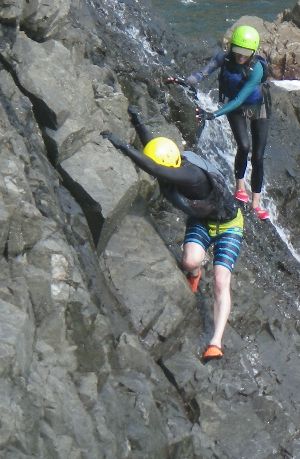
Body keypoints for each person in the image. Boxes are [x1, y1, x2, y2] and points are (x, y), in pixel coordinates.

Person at [103, 110, 242, 362]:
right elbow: (153, 149)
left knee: (221, 281)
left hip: (229, 224)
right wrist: (138, 121)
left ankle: (215, 342)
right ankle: (195, 273)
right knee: (190, 262)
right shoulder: (171, 160)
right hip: (202, 220)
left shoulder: (192, 175)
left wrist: (122, 145)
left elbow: (155, 167)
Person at [169, 24, 271, 221]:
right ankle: (240, 187)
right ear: (231, 47)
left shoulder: (256, 68)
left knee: (258, 157)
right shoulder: (223, 58)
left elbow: (240, 99)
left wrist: (213, 114)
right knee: (243, 146)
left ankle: (256, 203)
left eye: (245, 53)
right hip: (236, 109)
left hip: (257, 106)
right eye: (237, 51)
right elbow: (201, 74)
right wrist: (184, 81)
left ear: (253, 51)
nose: (240, 56)